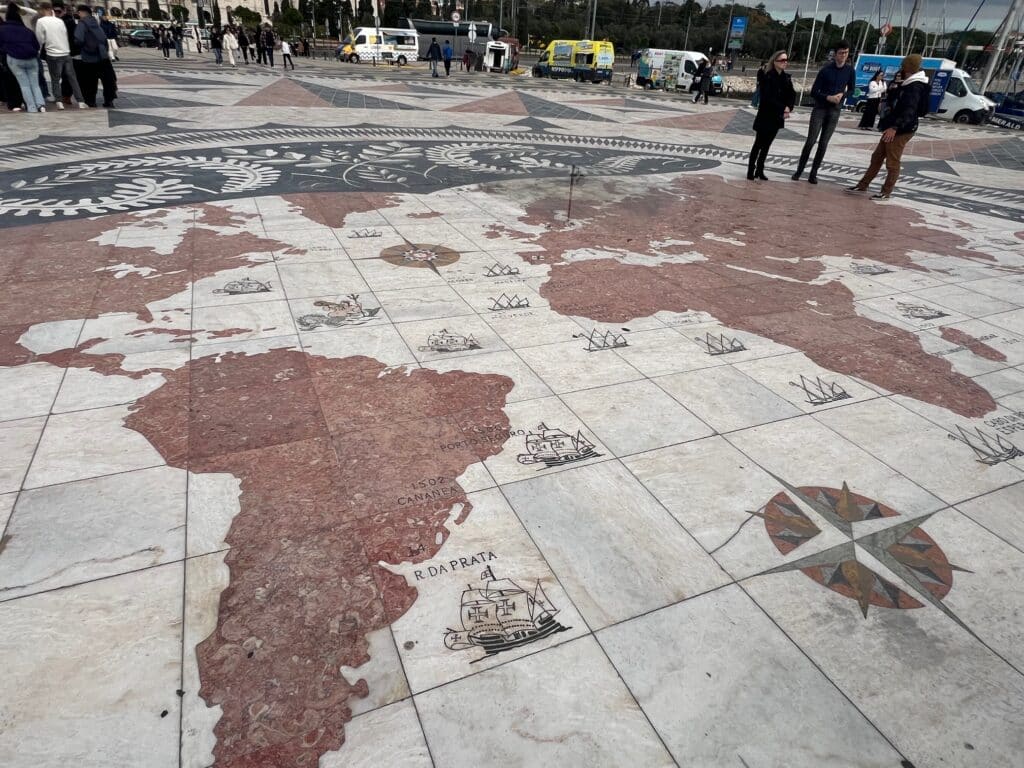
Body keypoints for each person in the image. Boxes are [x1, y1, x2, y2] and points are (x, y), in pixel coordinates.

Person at [848, 54, 930, 200]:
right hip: (894, 126)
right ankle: (863, 185)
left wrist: (895, 127)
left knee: (892, 161)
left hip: (901, 129)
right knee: (877, 156)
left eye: (903, 67)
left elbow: (909, 110)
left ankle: (886, 192)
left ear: (908, 68)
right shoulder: (907, 84)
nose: (901, 70)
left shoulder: (914, 87)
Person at [791, 40, 855, 184]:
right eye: (841, 53)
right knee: (811, 140)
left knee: (824, 143)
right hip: (820, 108)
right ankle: (799, 170)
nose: (843, 56)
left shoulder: (850, 71)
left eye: (846, 53)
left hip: (835, 110)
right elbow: (814, 92)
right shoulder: (826, 70)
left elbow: (851, 89)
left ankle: (813, 173)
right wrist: (827, 97)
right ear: (835, 54)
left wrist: (842, 96)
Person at [747, 50, 795, 181]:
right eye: (782, 60)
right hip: (765, 115)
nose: (785, 63)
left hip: (777, 117)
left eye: (786, 60)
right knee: (758, 144)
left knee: (767, 145)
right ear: (775, 62)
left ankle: (760, 169)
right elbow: (767, 98)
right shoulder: (767, 76)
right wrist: (782, 107)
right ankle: (751, 169)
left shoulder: (786, 78)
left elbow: (792, 95)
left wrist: (789, 107)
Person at [35, 0, 85, 109]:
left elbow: (40, 39)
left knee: (55, 78)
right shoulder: (59, 21)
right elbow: (65, 35)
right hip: (65, 52)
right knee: (72, 78)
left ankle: (59, 101)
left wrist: (38, 51)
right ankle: (80, 101)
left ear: (43, 10)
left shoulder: (41, 21)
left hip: (52, 53)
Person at [0, 3, 45, 112]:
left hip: (15, 58)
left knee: (24, 84)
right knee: (35, 84)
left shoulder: (2, 29)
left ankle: (31, 107)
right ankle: (41, 105)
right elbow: (37, 45)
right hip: (32, 58)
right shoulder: (27, 30)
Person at [73, 4, 115, 108]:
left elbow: (79, 39)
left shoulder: (82, 23)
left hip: (88, 56)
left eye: (77, 12)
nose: (77, 14)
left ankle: (91, 101)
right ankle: (109, 100)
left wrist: (80, 46)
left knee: (89, 80)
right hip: (102, 55)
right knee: (107, 79)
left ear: (82, 12)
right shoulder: (96, 22)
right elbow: (103, 38)